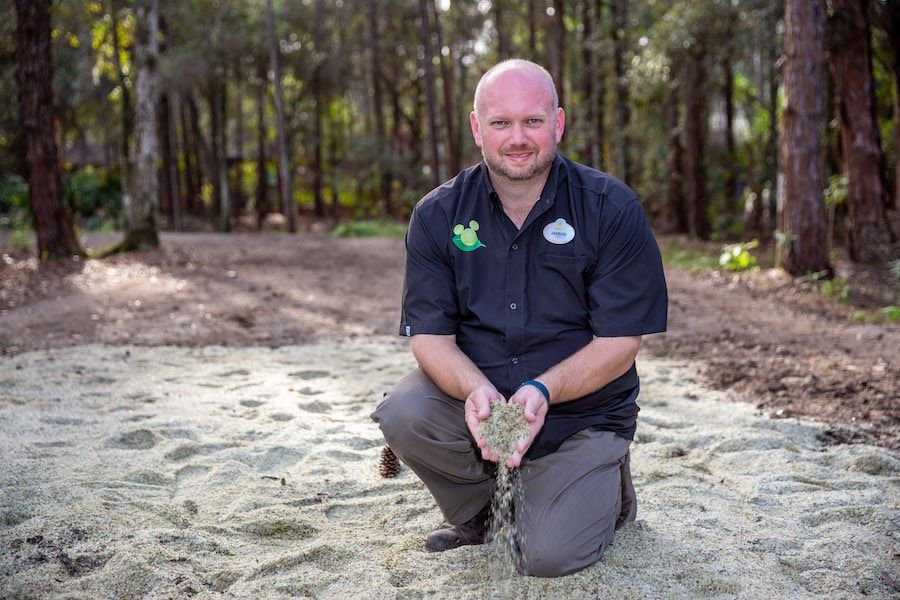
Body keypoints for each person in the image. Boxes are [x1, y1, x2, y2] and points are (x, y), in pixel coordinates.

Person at [371, 59, 667, 578]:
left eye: (532, 120)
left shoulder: (611, 208)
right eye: (501, 122)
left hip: (579, 417)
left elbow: (620, 342)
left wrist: (543, 390)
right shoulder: (437, 215)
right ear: (476, 128)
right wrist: (476, 392)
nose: (517, 138)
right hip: (479, 408)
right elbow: (431, 339)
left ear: (558, 123)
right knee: (403, 411)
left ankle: (606, 487)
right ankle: (481, 513)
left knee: (545, 557)